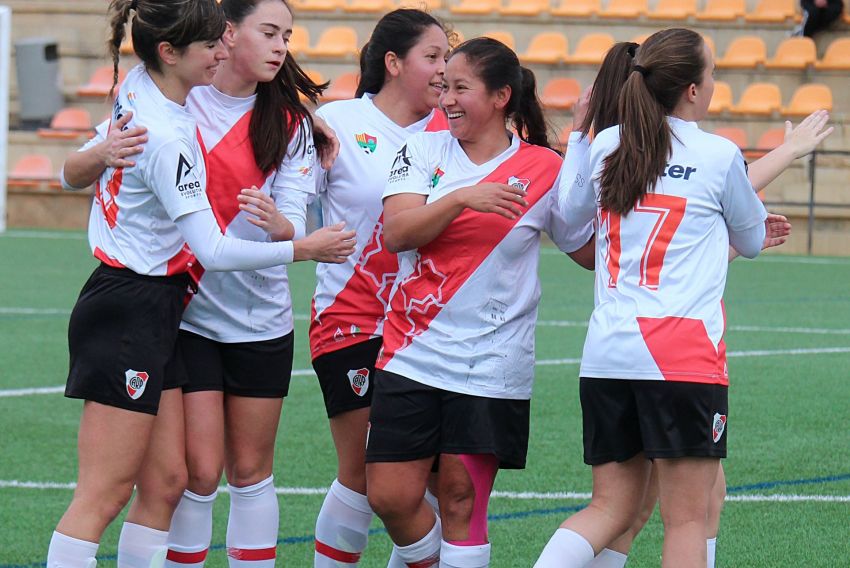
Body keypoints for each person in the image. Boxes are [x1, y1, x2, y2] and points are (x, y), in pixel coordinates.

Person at [49, 1, 353, 566]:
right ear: (215, 38)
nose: (281, 45)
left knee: (169, 482)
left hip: (172, 307)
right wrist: (304, 246)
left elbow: (71, 171)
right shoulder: (168, 126)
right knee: (118, 490)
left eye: (287, 34)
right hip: (147, 303)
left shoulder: (151, 89)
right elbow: (209, 248)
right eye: (267, 32)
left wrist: (288, 213)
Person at [554, 39, 833, 568]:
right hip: (681, 355)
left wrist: (575, 138)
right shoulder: (717, 152)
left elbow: (570, 222)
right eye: (713, 72)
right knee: (688, 518)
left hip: (607, 353)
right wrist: (779, 167)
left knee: (609, 508)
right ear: (691, 89)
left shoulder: (609, 143)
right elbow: (749, 239)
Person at [364, 37, 594, 568]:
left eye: (460, 88)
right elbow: (398, 231)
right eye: (443, 86)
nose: (445, 98)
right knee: (391, 496)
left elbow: (584, 251)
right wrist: (464, 197)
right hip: (411, 353)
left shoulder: (543, 167)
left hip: (491, 365)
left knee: (462, 501)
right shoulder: (421, 150)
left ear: (500, 97)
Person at [308, 9, 452, 566]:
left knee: (422, 484)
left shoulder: (450, 131)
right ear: (393, 62)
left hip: (429, 329)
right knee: (367, 473)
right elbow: (293, 198)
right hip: (352, 317)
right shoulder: (338, 121)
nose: (444, 70)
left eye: (448, 58)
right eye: (432, 57)